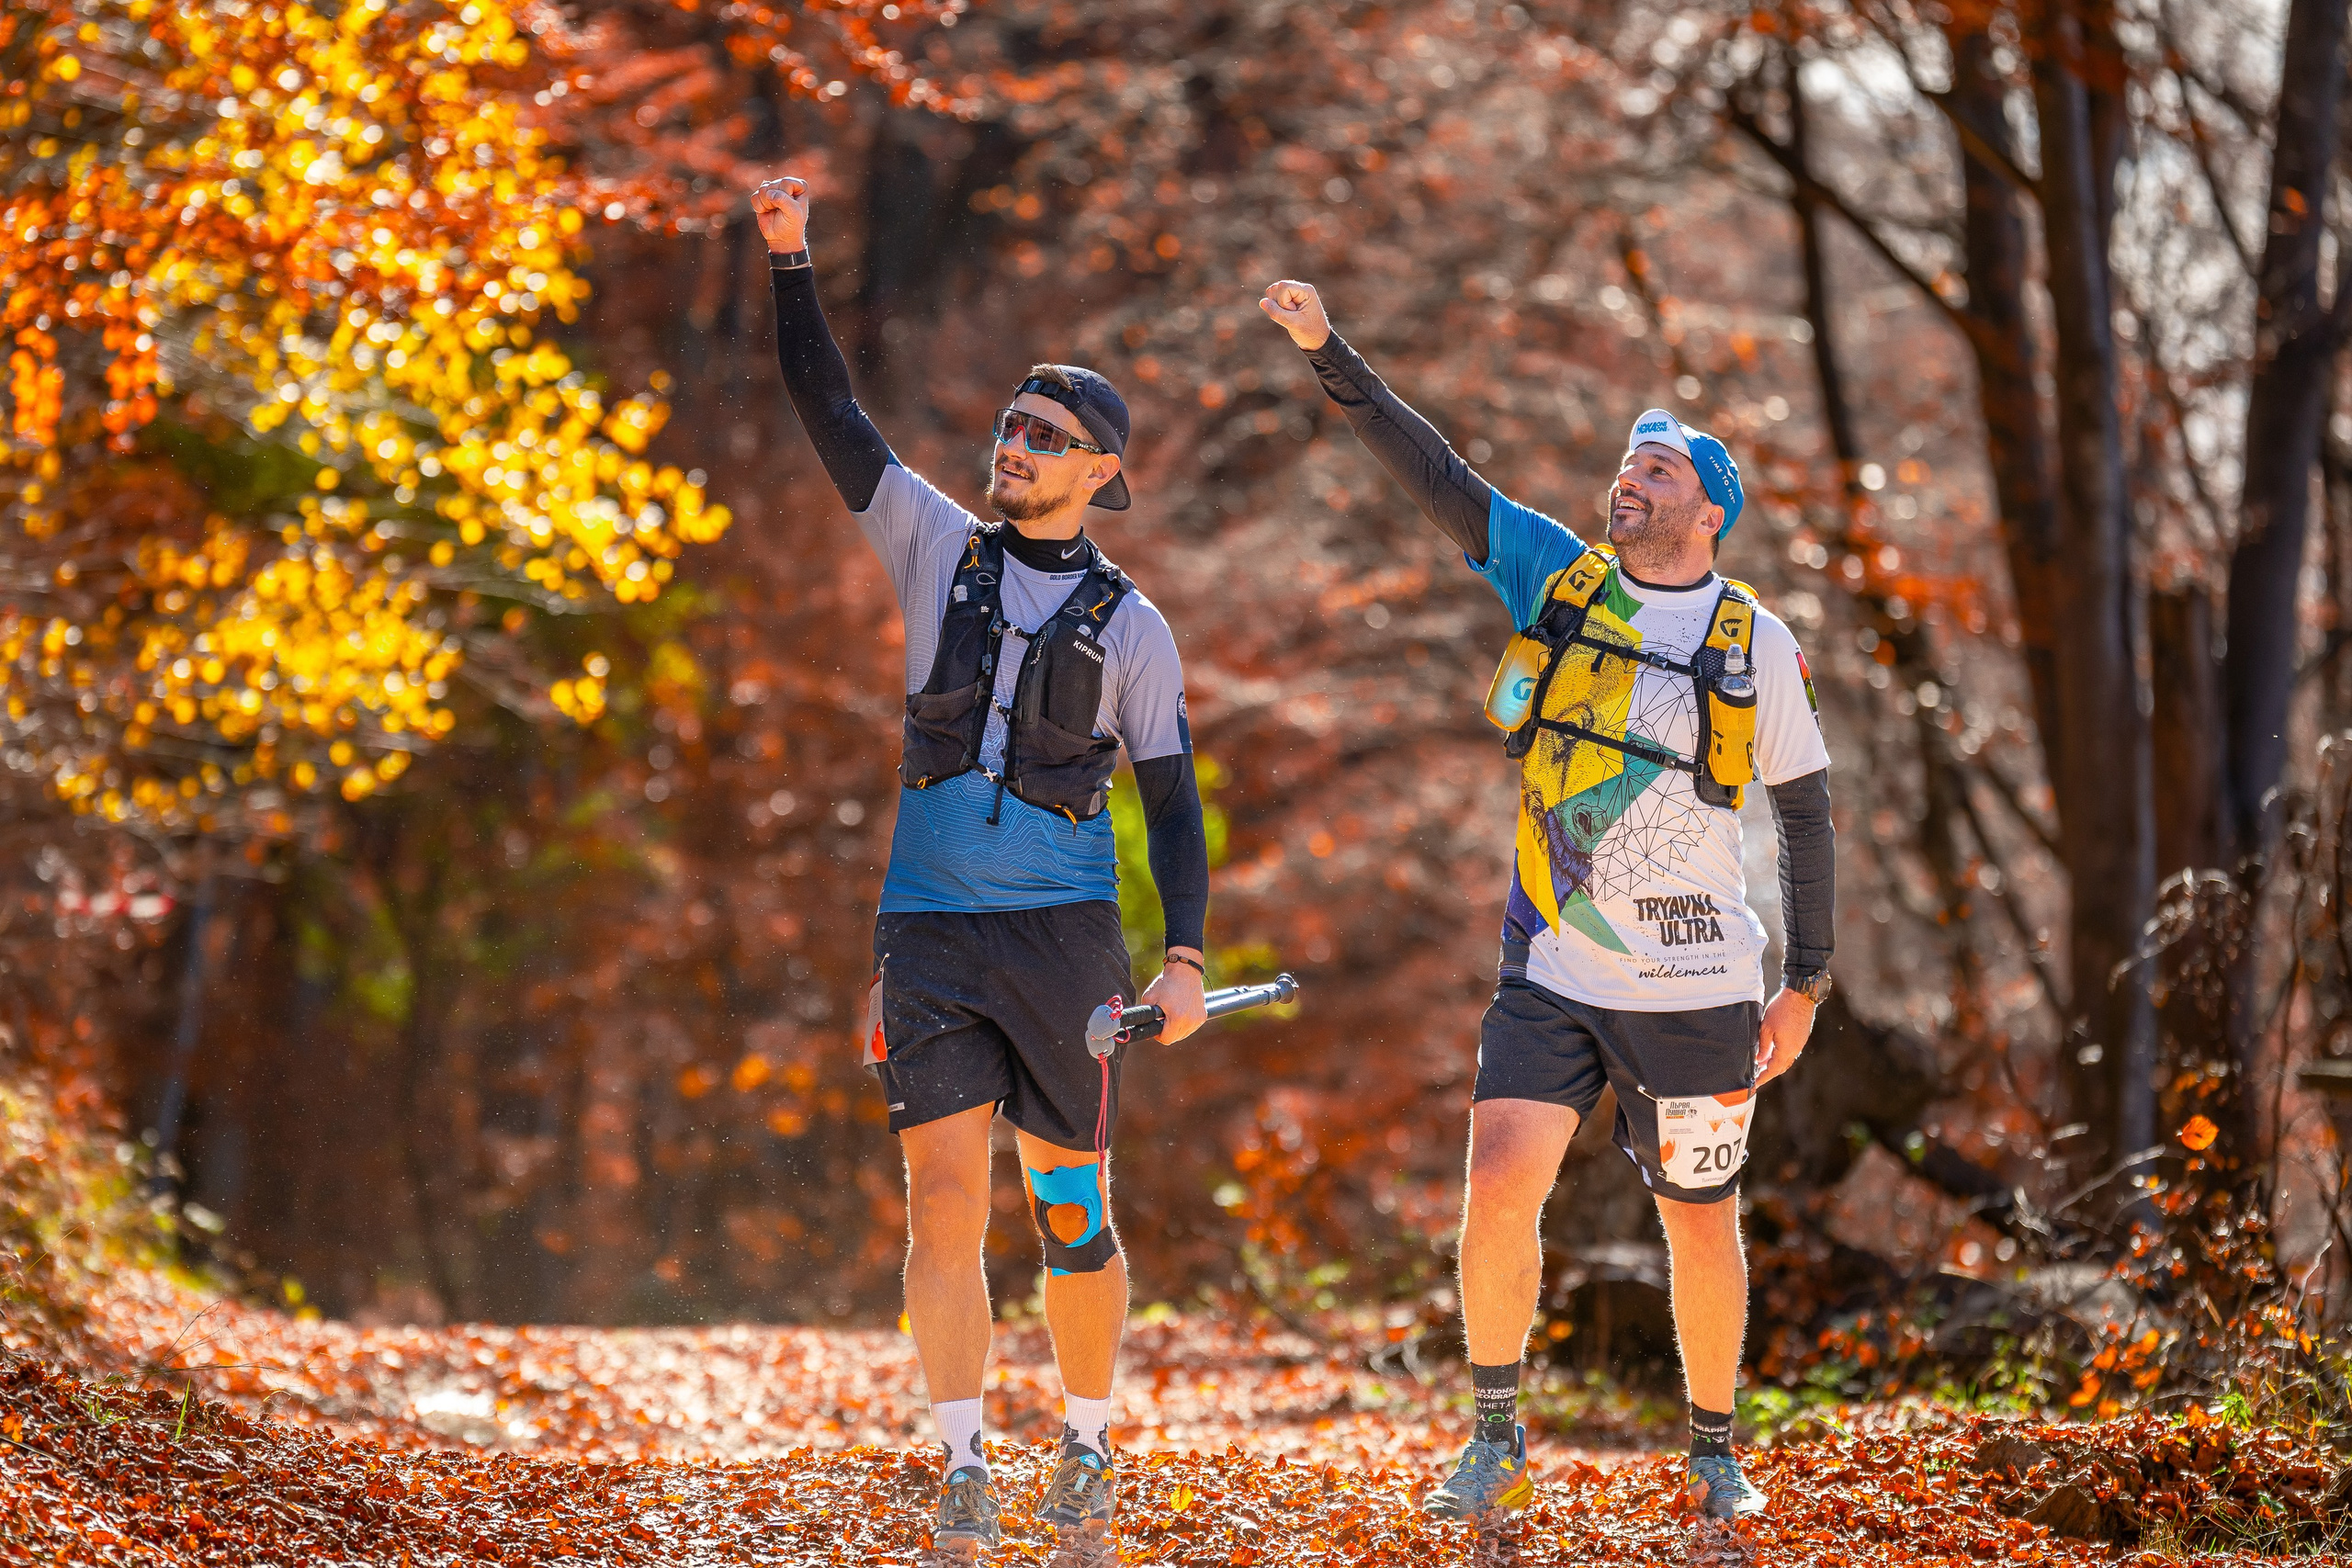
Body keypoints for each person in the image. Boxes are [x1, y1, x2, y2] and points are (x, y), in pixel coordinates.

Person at [1259, 280, 1836, 1523]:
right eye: (1623, 467)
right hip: (1552, 969)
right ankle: (1496, 1428)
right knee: (1500, 1176)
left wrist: (1807, 981)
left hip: (1700, 990)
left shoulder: (1754, 642)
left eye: (1657, 472)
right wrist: (1327, 348)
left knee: (1700, 1221)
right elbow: (1438, 475)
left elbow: (1805, 813)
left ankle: (1715, 1447)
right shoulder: (1560, 581)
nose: (1628, 483)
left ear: (1712, 508)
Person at [753, 175, 1210, 1567]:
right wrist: (790, 263)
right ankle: (962, 1463)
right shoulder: (933, 543)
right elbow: (833, 414)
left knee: (1070, 1213)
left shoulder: (1137, 630)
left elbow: (1176, 812)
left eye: (1048, 436)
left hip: (1067, 946)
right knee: (941, 1206)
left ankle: (1083, 1436)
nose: (1016, 446)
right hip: (931, 939)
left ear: (1098, 475)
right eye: (1013, 425)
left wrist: (1183, 954)